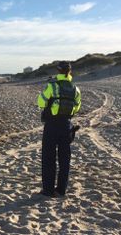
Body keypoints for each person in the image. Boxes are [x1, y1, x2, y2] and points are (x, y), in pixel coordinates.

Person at [37, 61, 81, 197]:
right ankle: (61, 189)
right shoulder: (75, 89)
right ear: (69, 72)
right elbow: (77, 107)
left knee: (48, 158)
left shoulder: (52, 85)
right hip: (67, 125)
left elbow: (40, 102)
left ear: (58, 71)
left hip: (51, 125)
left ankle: (48, 190)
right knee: (64, 159)